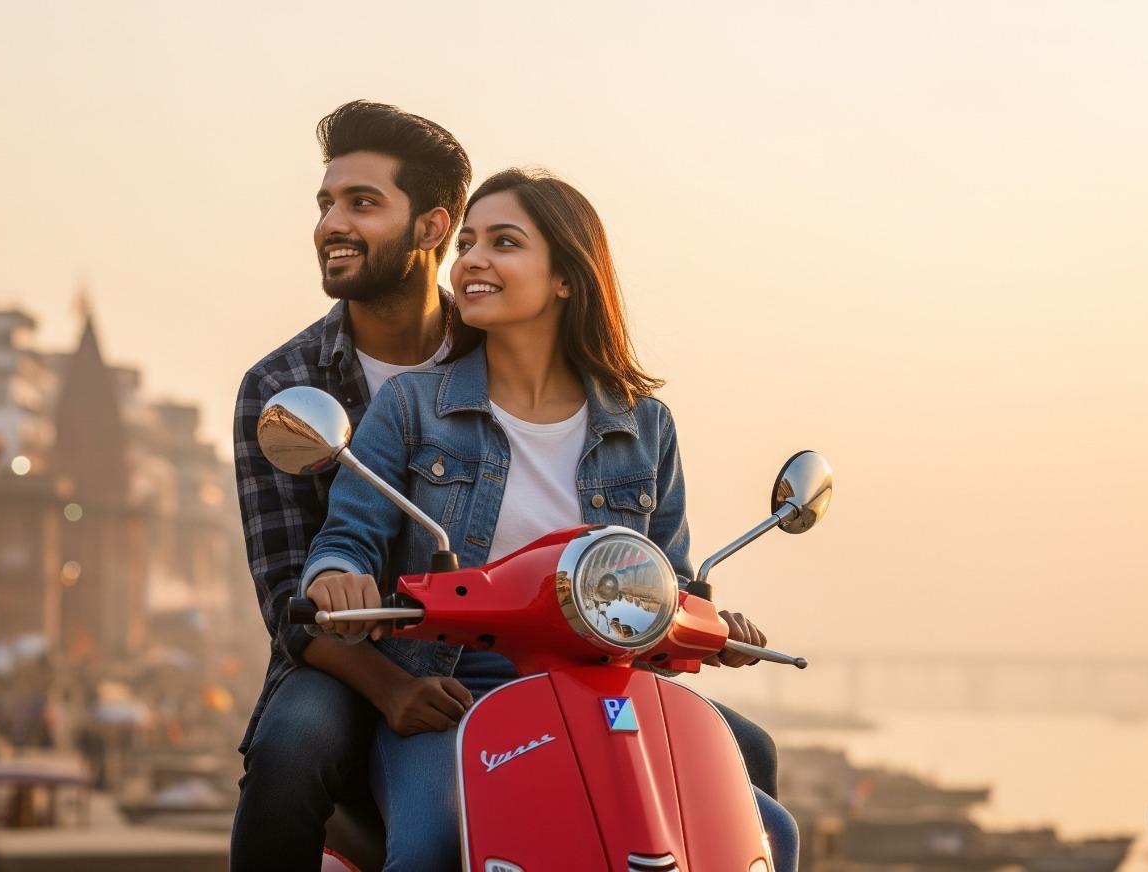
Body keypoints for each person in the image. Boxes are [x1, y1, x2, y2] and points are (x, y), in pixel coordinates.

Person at [301, 168, 800, 872]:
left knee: (767, 830)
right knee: (435, 842)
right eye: (466, 244)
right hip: (456, 689)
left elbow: (666, 579)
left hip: (607, 687)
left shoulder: (644, 425)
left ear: (566, 276)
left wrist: (713, 625)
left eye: (503, 243)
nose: (472, 260)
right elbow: (348, 538)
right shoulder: (411, 407)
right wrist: (336, 578)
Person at [230, 99, 474, 870]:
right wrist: (392, 689)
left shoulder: (499, 361)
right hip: (341, 661)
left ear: (431, 227)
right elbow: (287, 599)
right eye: (325, 203)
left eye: (362, 203)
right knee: (288, 753)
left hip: (484, 651)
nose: (330, 224)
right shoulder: (281, 387)